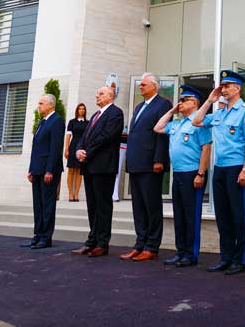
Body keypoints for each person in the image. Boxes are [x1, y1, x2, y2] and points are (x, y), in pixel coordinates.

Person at [194, 69, 245, 275]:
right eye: (222, 86)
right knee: (222, 215)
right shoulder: (218, 112)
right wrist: (210, 100)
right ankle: (226, 257)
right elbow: (196, 121)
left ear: (237, 88)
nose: (224, 89)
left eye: (227, 86)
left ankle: (239, 259)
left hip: (236, 167)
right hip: (219, 168)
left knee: (238, 215)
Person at [153, 84, 212, 267]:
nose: (180, 103)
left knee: (191, 215)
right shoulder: (177, 123)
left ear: (194, 103)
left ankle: (190, 254)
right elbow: (158, 127)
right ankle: (180, 252)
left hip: (193, 173)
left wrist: (200, 174)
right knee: (179, 214)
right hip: (178, 174)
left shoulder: (199, 122)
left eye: (183, 100)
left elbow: (206, 149)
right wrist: (172, 110)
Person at [121, 73, 173, 262]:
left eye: (143, 85)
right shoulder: (139, 107)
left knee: (152, 207)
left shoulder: (163, 105)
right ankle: (140, 243)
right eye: (140, 85)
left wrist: (159, 159)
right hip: (136, 163)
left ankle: (152, 246)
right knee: (139, 207)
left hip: (151, 164)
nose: (140, 87)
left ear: (154, 86)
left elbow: (162, 135)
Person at [72, 87, 124, 257]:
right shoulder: (94, 116)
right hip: (89, 166)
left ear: (110, 96)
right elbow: (84, 138)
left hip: (103, 166)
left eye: (101, 93)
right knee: (92, 206)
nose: (97, 95)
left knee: (103, 206)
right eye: (97, 93)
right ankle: (91, 241)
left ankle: (102, 243)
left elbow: (107, 136)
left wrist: (87, 152)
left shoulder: (116, 113)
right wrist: (79, 150)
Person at [23, 94, 65, 249]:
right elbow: (36, 148)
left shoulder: (57, 121)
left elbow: (55, 148)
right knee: (38, 205)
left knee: (47, 205)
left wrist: (49, 170)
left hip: (48, 170)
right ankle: (37, 235)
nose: (38, 106)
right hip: (37, 169)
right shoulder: (42, 122)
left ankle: (46, 238)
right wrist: (31, 169)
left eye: (41, 103)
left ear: (50, 105)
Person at [64, 103, 89, 202]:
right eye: (80, 109)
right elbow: (68, 136)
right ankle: (70, 194)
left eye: (83, 109)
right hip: (73, 146)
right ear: (77, 110)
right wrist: (66, 149)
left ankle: (76, 194)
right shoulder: (72, 122)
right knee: (71, 171)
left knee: (79, 171)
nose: (81, 111)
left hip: (82, 147)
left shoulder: (88, 123)